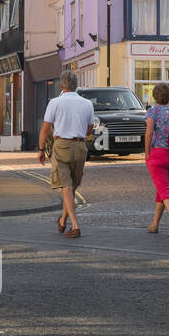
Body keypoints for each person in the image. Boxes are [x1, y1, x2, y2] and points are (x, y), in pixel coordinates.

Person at [38, 70, 94, 238]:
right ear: (76, 85)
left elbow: (45, 129)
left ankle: (75, 226)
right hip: (80, 147)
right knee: (70, 187)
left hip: (61, 145)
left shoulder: (55, 102)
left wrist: (41, 150)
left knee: (66, 186)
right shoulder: (87, 104)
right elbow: (90, 128)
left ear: (61, 85)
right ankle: (63, 220)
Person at [143, 83, 169, 237]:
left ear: (154, 96)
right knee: (163, 189)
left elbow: (149, 133)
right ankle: (154, 224)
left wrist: (147, 153)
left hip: (158, 156)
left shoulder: (152, 112)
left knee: (165, 190)